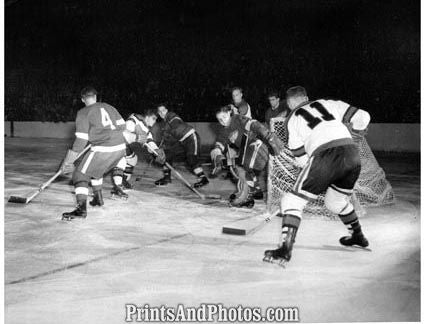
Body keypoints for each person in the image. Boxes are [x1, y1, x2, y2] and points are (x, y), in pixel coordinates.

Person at [263, 86, 371, 267]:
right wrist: (356, 135)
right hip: (351, 154)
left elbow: (301, 158)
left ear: (289, 104)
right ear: (306, 97)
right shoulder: (328, 103)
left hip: (325, 156)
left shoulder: (292, 119)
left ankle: (284, 250)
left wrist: (318, 176)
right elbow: (364, 117)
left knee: (291, 201)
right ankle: (358, 236)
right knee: (335, 203)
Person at [60, 87, 145, 220]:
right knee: (95, 170)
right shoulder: (109, 107)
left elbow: (81, 140)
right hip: (120, 148)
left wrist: (68, 161)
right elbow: (123, 127)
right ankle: (98, 199)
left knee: (79, 175)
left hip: (103, 148)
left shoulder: (83, 112)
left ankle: (81, 210)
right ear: (95, 97)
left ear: (83, 99)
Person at [213, 105, 284, 207]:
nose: (223, 121)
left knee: (242, 168)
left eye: (224, 117)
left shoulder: (237, 119)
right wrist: (217, 153)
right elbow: (219, 143)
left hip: (257, 145)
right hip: (248, 149)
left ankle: (246, 196)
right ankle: (254, 190)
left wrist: (268, 136)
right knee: (239, 167)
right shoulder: (224, 131)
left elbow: (254, 124)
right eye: (220, 119)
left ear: (229, 112)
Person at [156, 104, 209, 188]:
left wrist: (166, 130)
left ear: (167, 110)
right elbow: (170, 140)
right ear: (158, 113)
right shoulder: (165, 124)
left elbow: (175, 121)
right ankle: (167, 177)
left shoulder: (171, 115)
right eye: (160, 111)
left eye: (164, 110)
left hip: (191, 137)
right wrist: (162, 147)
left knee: (191, 159)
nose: (162, 113)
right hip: (182, 141)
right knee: (167, 155)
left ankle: (203, 178)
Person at [119, 110, 166, 189]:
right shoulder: (135, 119)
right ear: (147, 117)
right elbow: (125, 131)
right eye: (153, 118)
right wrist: (137, 135)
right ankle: (118, 184)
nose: (154, 122)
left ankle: (122, 181)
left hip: (123, 145)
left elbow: (149, 141)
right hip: (117, 143)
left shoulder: (146, 129)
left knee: (132, 160)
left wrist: (156, 150)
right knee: (121, 163)